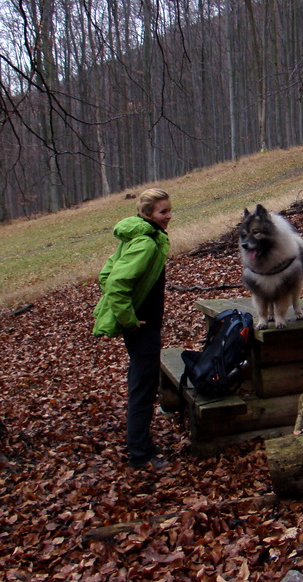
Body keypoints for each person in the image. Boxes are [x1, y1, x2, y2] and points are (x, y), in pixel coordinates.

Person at [93, 188, 172, 469]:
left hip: (142, 324)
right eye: (163, 212)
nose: (168, 216)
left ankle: (143, 445)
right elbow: (115, 283)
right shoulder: (146, 243)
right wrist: (129, 318)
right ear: (148, 214)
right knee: (143, 389)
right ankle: (141, 454)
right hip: (143, 327)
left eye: (169, 210)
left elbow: (105, 274)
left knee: (141, 382)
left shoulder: (138, 237)